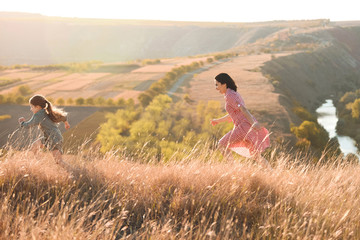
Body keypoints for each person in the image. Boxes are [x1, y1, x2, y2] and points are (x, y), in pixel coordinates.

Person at [210, 73, 271, 169]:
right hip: (246, 126)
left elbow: (243, 109)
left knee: (221, 144)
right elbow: (233, 114)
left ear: (224, 84)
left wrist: (253, 123)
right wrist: (217, 121)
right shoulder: (232, 94)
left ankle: (234, 169)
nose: (216, 88)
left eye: (217, 84)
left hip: (243, 127)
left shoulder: (230, 95)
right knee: (256, 155)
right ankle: (271, 172)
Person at [18, 94, 71, 170]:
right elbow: (63, 117)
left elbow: (28, 125)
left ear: (38, 107)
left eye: (32, 107)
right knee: (34, 147)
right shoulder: (47, 112)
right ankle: (40, 165)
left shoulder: (38, 115)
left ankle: (74, 171)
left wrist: (22, 122)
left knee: (59, 161)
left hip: (53, 139)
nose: (31, 109)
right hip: (48, 137)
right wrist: (66, 123)